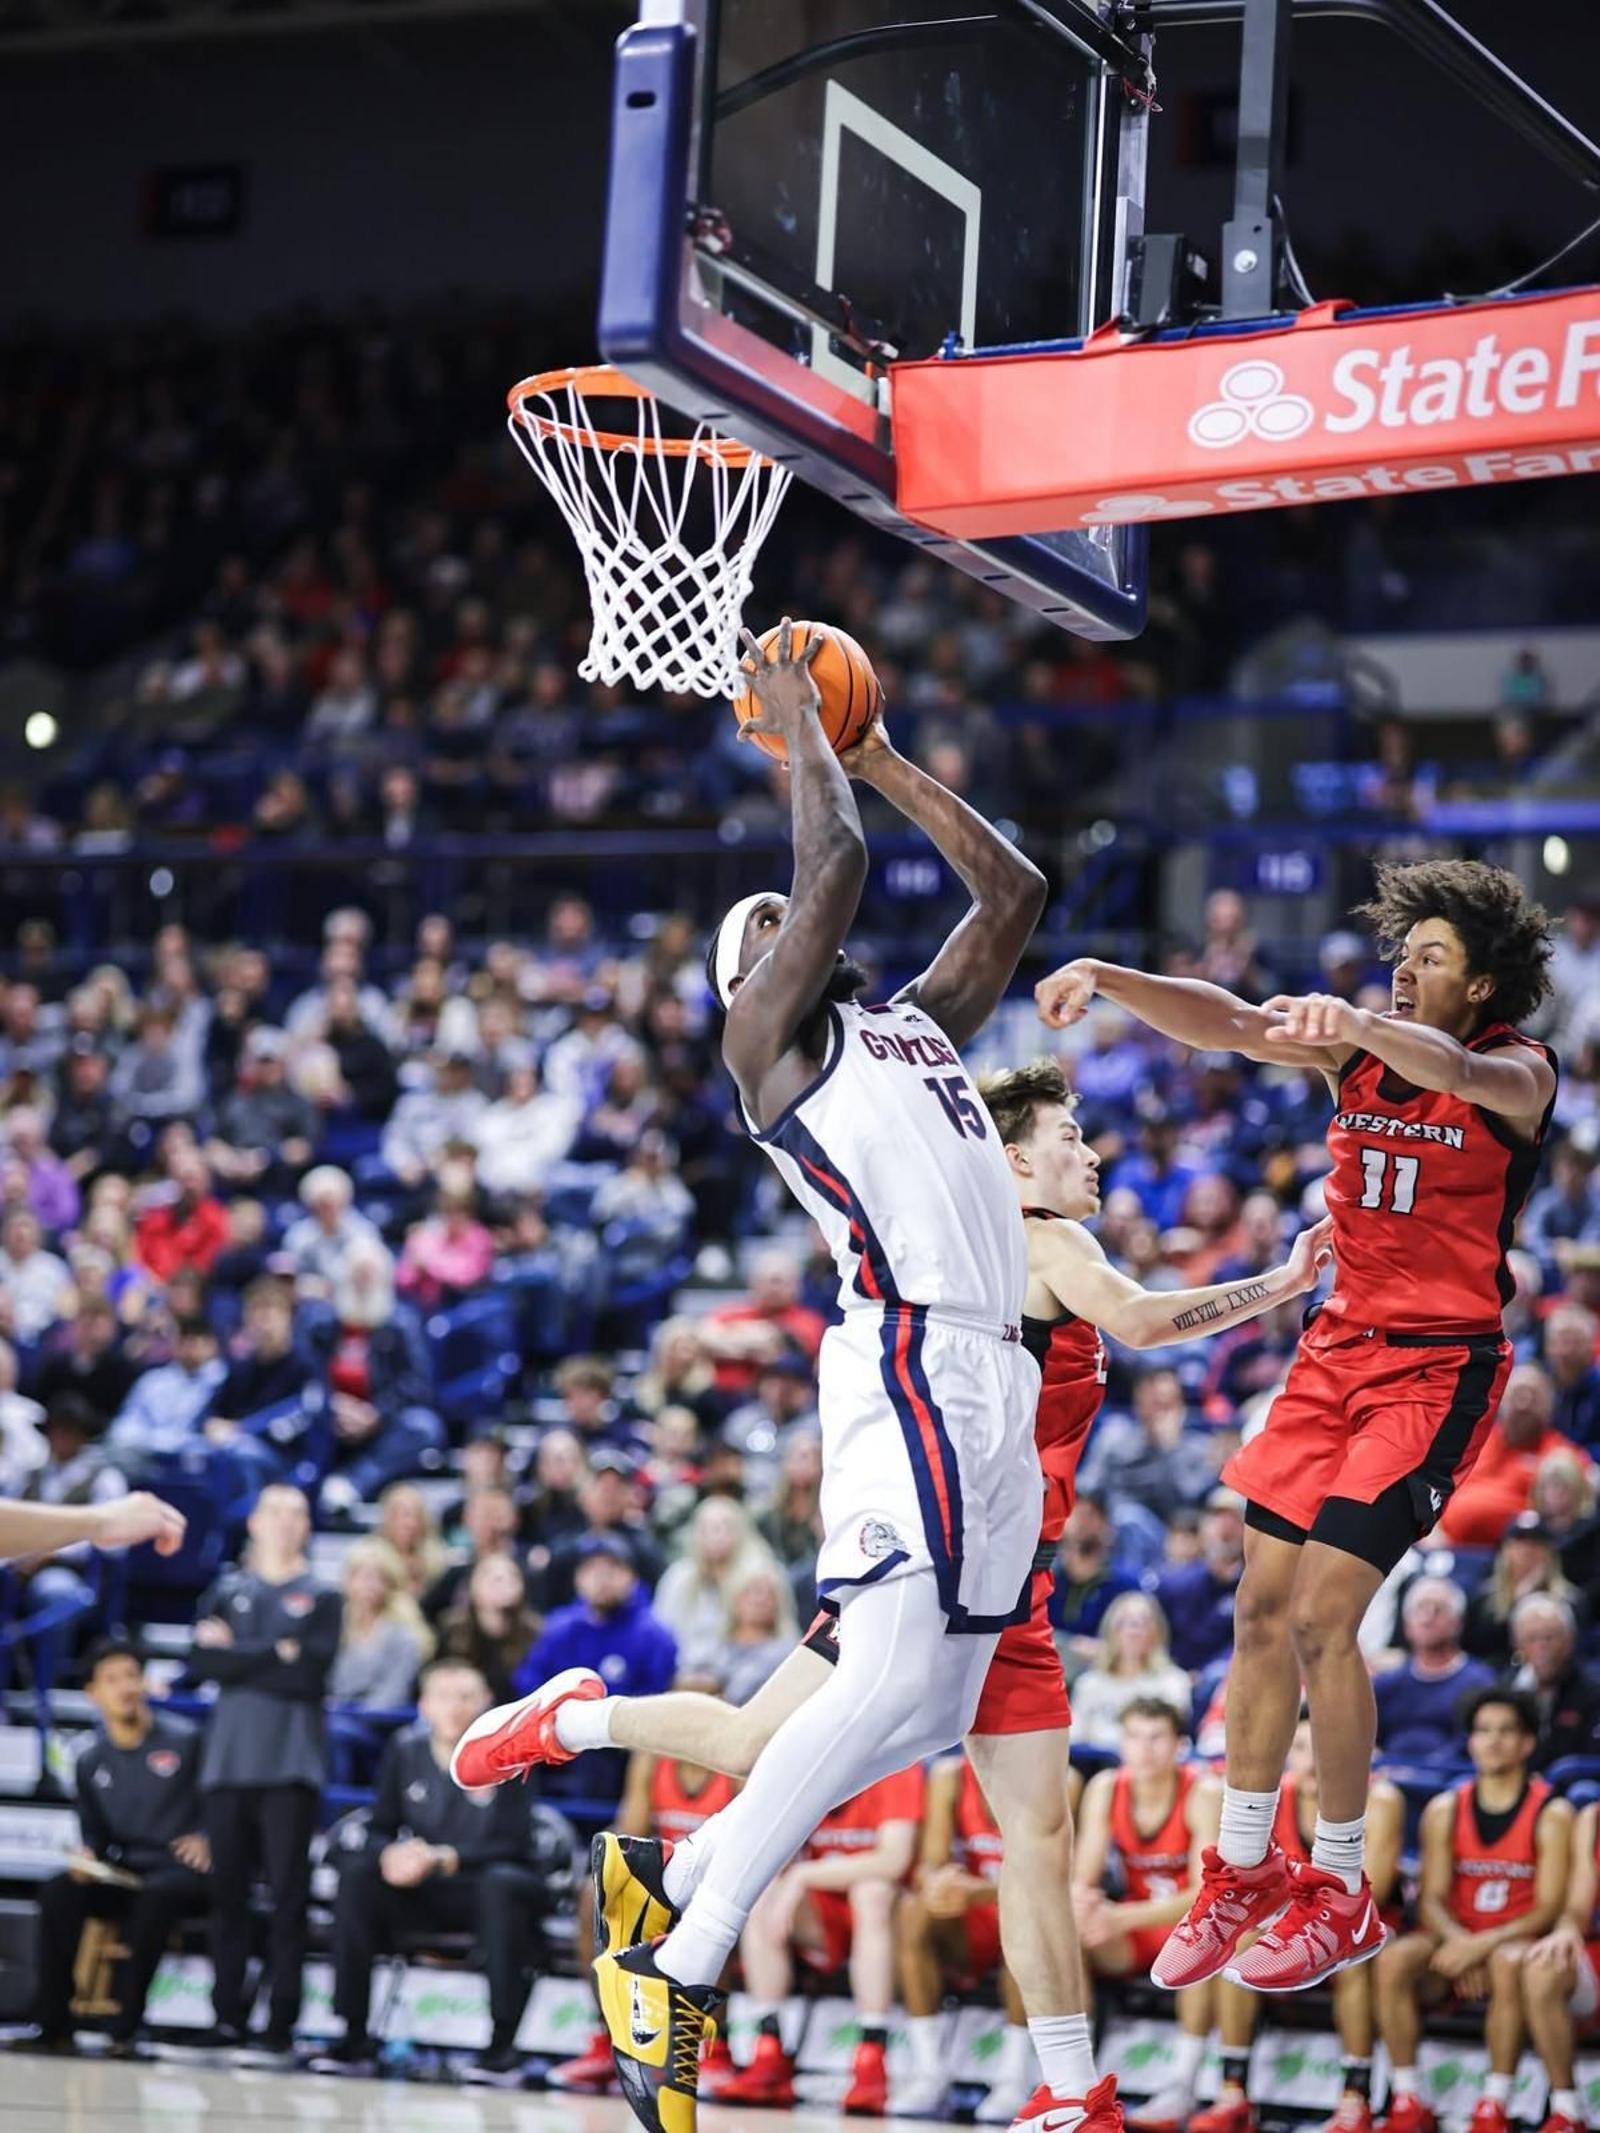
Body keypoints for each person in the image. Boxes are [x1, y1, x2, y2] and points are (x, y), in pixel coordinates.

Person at [464, 1051, 1327, 2133]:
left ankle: (580, 1729)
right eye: (1071, 1137)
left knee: (786, 1756)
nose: (1092, 1154)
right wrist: (1283, 1283)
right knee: (939, 1790)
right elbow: (1145, 1324)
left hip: (1007, 1568)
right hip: (948, 1549)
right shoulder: (1039, 1237)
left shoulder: (1010, 1238)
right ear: (1010, 1159)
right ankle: (687, 1916)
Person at [455, 621, 1071, 2133]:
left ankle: (673, 1879)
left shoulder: (911, 1030)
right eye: (779, 928)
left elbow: (1016, 892)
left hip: (994, 1375)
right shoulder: (767, 1051)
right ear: (761, 972)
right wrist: (804, 729)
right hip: (910, 1362)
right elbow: (838, 871)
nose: (803, 929)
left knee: (924, 1704)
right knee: (890, 1673)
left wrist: (875, 755)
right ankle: (692, 1938)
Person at [1039, 858, 1559, 1990]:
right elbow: (1226, 1021)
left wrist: (1362, 1021)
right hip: (1332, 1353)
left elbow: (1458, 1068)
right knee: (1258, 1607)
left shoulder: (1516, 1071)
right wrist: (1108, 974)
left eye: (1433, 959)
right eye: (1401, 953)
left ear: (1481, 983)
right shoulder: (1355, 1047)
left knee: (1328, 1613)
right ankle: (1241, 1871)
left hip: (1433, 1372)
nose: (1409, 970)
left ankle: (1339, 1885)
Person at [309, 1661, 552, 2087]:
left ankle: (502, 2045)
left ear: (486, 1703)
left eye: (466, 1697)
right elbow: (380, 1824)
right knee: (359, 1877)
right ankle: (352, 2036)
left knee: (501, 1885)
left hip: (483, 1888)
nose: (455, 1707)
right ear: (423, 1705)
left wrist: (444, 1857)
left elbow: (516, 1844)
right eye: (443, 1696)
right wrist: (391, 1855)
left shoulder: (511, 1754)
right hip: (422, 1889)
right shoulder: (405, 1750)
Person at [1372, 1689, 1572, 2133]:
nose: (1493, 1741)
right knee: (1393, 1960)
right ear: (1470, 1741)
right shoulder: (1445, 1809)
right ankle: (1407, 2098)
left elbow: (1549, 1908)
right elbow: (1432, 1899)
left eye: (1505, 1732)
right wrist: (1460, 1943)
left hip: (1515, 1943)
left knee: (1506, 1962)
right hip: (1455, 1938)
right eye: (1483, 1731)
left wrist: (1480, 1947)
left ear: (1526, 1743)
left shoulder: (1552, 1812)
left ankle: (1493, 2105)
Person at [188, 1484, 342, 2059]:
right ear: (253, 1522)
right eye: (274, 1511)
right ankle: (226, 2015)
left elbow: (308, 1675)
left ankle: (281, 2020)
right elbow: (202, 1661)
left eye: (296, 1512)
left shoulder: (323, 1597)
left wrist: (238, 1657)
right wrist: (272, 1653)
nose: (284, 1521)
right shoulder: (226, 1590)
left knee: (287, 1898)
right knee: (227, 1896)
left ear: (308, 1526)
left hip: (290, 1766)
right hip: (226, 1765)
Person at [1199, 1717, 1404, 2133]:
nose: (1312, 1763)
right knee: (1234, 1945)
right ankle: (1232, 2091)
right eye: (1301, 1750)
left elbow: (1372, 1891)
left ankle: (1356, 2097)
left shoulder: (1380, 1800)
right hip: (1289, 1926)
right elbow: (1248, 1885)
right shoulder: (1272, 1803)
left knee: (1351, 1956)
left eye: (1322, 1750)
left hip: (1362, 1926)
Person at [20, 1640, 210, 2056]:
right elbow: (97, 1837)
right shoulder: (90, 1761)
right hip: (124, 1872)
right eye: (112, 1679)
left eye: (131, 1676)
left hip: (180, 1870)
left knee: (157, 1895)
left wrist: (207, 1836)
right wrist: (87, 1858)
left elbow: (220, 1808)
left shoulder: (188, 1740)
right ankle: (52, 2023)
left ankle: (127, 2028)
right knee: (60, 1891)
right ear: (92, 1693)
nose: (125, 1687)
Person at [705, 1763, 926, 2114]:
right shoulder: (811, 1763)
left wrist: (804, 1875)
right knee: (763, 1891)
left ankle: (872, 2057)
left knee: (872, 1892)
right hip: (823, 1921)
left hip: (890, 1927)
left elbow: (893, 1861)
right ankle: (769, 2049)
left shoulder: (897, 1766)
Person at [1073, 1701, 1222, 2133]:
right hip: (1135, 1929)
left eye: (1157, 1738)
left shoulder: (1203, 1790)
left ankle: (1183, 2083)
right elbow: (1083, 1878)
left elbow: (1204, 1892)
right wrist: (1084, 1908)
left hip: (1182, 1924)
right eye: (1135, 1737)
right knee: (1066, 1934)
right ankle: (1075, 2080)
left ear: (1179, 1745)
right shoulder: (1106, 1787)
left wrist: (1122, 1917)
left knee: (1207, 1939)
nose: (1145, 1749)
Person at [894, 1752, 1031, 2125]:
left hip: (1020, 1908)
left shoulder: (1054, 1778)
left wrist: (983, 1892)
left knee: (1027, 1917)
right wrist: (938, 1884)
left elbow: (1048, 1879)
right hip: (970, 1912)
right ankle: (929, 2071)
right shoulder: (950, 1776)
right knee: (914, 1910)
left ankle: (1015, 2078)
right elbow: (930, 1863)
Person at [1498, 1796, 1600, 2133]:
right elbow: (1578, 1905)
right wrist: (1568, 1928)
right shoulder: (1593, 1817)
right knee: (1543, 1966)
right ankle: (1567, 2110)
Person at [1372, 1576, 1496, 1763]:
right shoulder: (1387, 1683)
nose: (1427, 1618)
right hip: (1385, 1778)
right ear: (1406, 1625)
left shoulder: (1479, 1682)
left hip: (1451, 1777)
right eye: (1420, 1609)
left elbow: (1476, 1741)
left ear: (1457, 1623)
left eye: (1438, 1610)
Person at [1068, 1594, 1195, 1752]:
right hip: (1094, 1765)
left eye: (1142, 1623)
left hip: (1152, 1766)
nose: (1133, 1631)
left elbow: (1177, 1740)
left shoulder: (1174, 1681)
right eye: (1124, 1622)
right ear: (1111, 1631)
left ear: (1157, 1632)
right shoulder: (1089, 1683)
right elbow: (1075, 1739)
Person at [328, 1539, 432, 1708]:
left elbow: (394, 1693)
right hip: (334, 1714)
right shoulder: (333, 1624)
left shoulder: (404, 1635)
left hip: (380, 1720)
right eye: (363, 1576)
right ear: (348, 1580)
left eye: (378, 1578)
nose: (369, 1585)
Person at [0, 1491, 184, 1562]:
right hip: (18, 1565)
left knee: (55, 1589)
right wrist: (104, 1521)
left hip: (67, 1567)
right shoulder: (35, 1468)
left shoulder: (100, 1472)